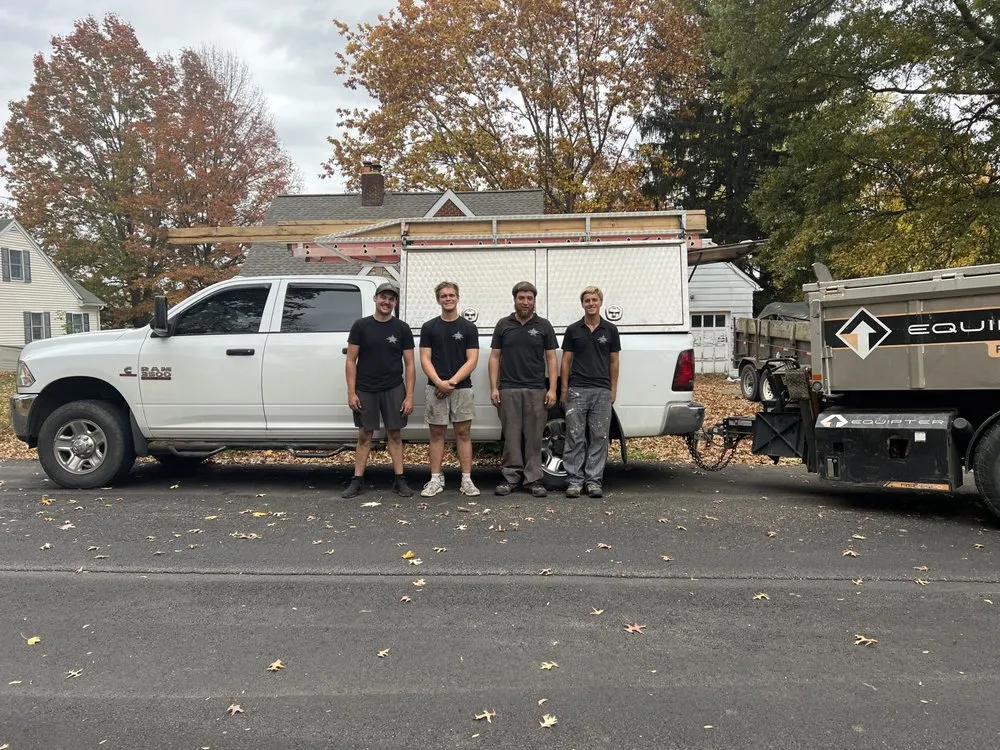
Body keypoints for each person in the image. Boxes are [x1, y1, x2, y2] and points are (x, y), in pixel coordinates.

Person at [343, 281, 415, 498]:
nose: (386, 302)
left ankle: (400, 480)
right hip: (365, 388)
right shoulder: (360, 326)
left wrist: (409, 396)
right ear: (375, 298)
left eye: (391, 299)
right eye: (383, 297)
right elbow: (351, 360)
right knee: (365, 435)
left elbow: (410, 364)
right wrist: (351, 392)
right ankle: (357, 480)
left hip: (394, 387)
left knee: (395, 434)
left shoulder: (402, 328)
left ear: (395, 303)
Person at [489, 281, 558, 497]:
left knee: (534, 438)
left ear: (534, 301)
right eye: (521, 298)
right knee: (511, 437)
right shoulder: (503, 325)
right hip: (508, 388)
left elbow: (551, 359)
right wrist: (494, 387)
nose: (525, 302)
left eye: (529, 298)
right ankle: (510, 477)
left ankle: (534, 480)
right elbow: (495, 357)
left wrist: (552, 389)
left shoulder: (544, 326)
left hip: (536, 389)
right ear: (515, 300)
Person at [419, 281, 481, 497]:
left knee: (463, 433)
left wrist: (450, 383)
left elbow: (472, 360)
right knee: (437, 434)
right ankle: (435, 479)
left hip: (462, 389)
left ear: (457, 298)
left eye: (451, 295)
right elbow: (425, 359)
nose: (448, 299)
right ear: (438, 300)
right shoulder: (429, 327)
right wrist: (439, 382)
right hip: (435, 388)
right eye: (443, 296)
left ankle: (467, 480)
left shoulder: (468, 328)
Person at [560, 285, 621, 498]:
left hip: (602, 391)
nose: (591, 304)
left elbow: (614, 361)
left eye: (594, 300)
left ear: (600, 302)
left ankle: (594, 481)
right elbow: (565, 361)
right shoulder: (573, 330)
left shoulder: (610, 330)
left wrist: (613, 388)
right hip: (577, 389)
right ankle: (574, 482)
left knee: (599, 437)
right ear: (582, 304)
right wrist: (564, 389)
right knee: (574, 436)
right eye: (587, 300)